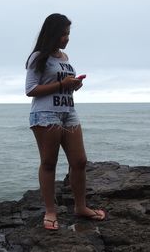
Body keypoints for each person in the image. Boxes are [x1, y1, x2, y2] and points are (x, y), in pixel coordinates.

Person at [25, 13, 105, 230]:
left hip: (68, 111)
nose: (66, 38)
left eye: (68, 34)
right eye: (63, 34)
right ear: (52, 34)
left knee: (79, 161)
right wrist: (62, 85)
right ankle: (50, 211)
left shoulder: (64, 57)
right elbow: (30, 90)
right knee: (49, 163)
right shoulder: (38, 57)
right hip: (45, 114)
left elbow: (61, 83)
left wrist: (73, 85)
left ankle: (81, 207)